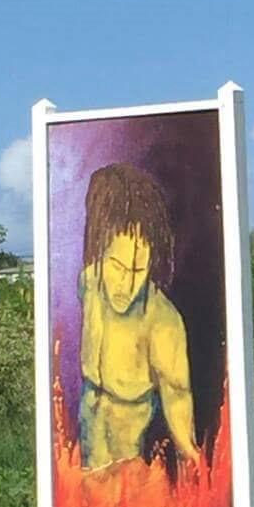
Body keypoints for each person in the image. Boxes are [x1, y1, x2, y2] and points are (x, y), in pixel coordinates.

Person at [78, 162, 199, 470]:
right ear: (101, 254)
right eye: (117, 266)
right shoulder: (89, 283)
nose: (126, 283)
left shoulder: (162, 321)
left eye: (138, 270)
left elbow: (176, 392)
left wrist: (189, 451)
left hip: (127, 466)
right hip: (86, 450)